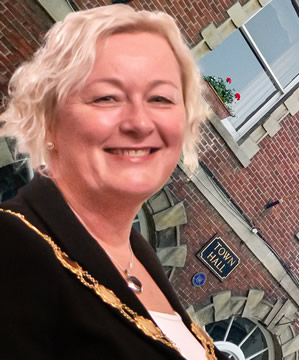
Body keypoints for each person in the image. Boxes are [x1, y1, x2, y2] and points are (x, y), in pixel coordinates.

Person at [0, 5, 227, 360]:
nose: (139, 123)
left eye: (161, 99)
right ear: (49, 118)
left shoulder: (141, 256)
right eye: (107, 97)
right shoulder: (12, 248)